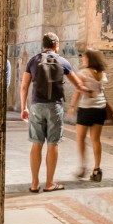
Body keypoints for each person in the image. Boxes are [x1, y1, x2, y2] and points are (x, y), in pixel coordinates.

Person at [20, 33, 87, 193]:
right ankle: (49, 183)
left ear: (43, 45)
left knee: (36, 144)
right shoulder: (62, 61)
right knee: (52, 144)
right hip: (54, 107)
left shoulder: (33, 61)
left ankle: (34, 184)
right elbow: (78, 84)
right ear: (56, 45)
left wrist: (24, 107)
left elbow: (24, 87)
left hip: (37, 106)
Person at [68, 48, 108, 183]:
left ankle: (83, 167)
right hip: (100, 108)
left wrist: (72, 106)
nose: (82, 59)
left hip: (86, 109)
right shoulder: (102, 73)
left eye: (84, 57)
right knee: (96, 140)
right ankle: (97, 170)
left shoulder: (83, 73)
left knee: (80, 138)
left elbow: (78, 91)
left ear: (89, 59)